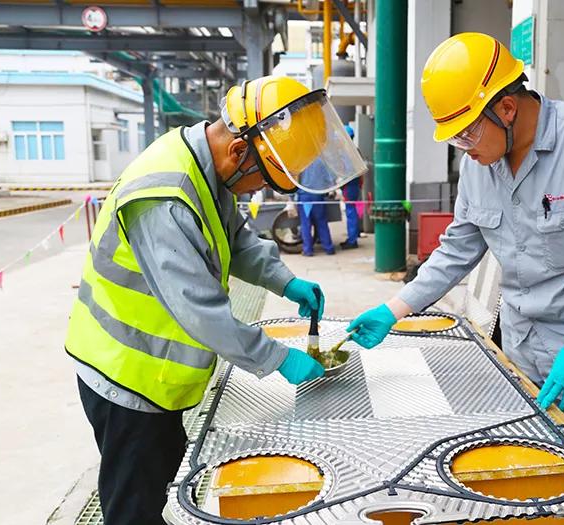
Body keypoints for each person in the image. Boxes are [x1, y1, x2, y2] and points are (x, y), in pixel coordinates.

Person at [347, 34, 564, 525]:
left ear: (508, 109)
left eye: (466, 135)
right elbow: (457, 249)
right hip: (522, 348)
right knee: (534, 478)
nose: (464, 149)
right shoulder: (480, 164)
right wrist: (396, 308)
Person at [65, 75, 365, 525]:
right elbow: (200, 310)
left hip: (157, 377)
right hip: (125, 377)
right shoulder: (164, 198)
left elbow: (234, 237)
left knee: (162, 479)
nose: (255, 193)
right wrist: (277, 357)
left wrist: (284, 282)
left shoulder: (206, 166)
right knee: (134, 508)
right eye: (261, 182)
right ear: (239, 151)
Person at [297, 159, 336, 256]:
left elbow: (293, 180)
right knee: (322, 222)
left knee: (306, 224)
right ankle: (329, 248)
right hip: (318, 195)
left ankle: (308, 250)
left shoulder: (300, 161)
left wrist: (291, 197)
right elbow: (331, 177)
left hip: (304, 196)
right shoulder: (321, 161)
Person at [340, 123, 363, 249]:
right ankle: (355, 234)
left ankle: (352, 240)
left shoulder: (346, 152)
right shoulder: (356, 150)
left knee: (350, 211)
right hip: (356, 184)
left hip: (349, 184)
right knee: (353, 209)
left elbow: (346, 172)